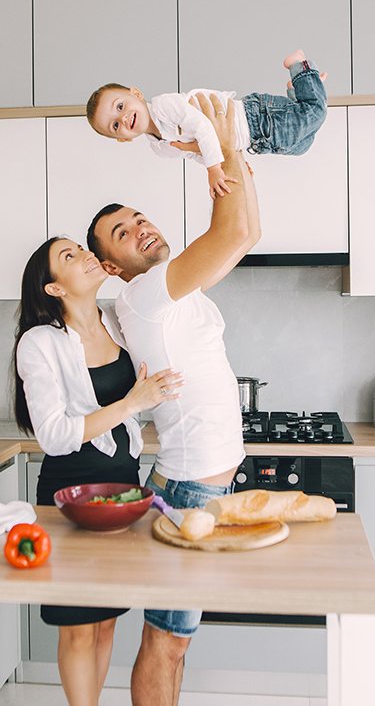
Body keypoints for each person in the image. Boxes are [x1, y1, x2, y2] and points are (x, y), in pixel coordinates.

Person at [86, 93, 260, 706]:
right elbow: (236, 229)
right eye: (123, 233)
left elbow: (248, 231)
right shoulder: (145, 295)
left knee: (175, 638)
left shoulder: (161, 291)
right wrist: (223, 145)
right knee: (168, 638)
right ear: (111, 264)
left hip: (196, 482)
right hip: (192, 488)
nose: (141, 228)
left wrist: (228, 150)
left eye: (139, 217)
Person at [12, 236, 184, 706]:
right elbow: (53, 435)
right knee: (77, 628)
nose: (84, 256)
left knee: (106, 619)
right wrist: (133, 401)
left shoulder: (117, 322)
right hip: (69, 496)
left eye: (80, 248)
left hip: (122, 493)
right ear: (53, 289)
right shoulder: (40, 342)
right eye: (69, 256)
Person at [86, 49, 326, 198]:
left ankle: (300, 67)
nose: (123, 118)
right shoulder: (160, 148)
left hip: (256, 118)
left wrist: (214, 170)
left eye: (120, 107)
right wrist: (229, 162)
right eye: (115, 125)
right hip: (255, 140)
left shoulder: (163, 106)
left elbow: (203, 127)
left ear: (136, 94)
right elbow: (196, 153)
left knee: (315, 112)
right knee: (303, 145)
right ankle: (298, 93)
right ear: (123, 139)